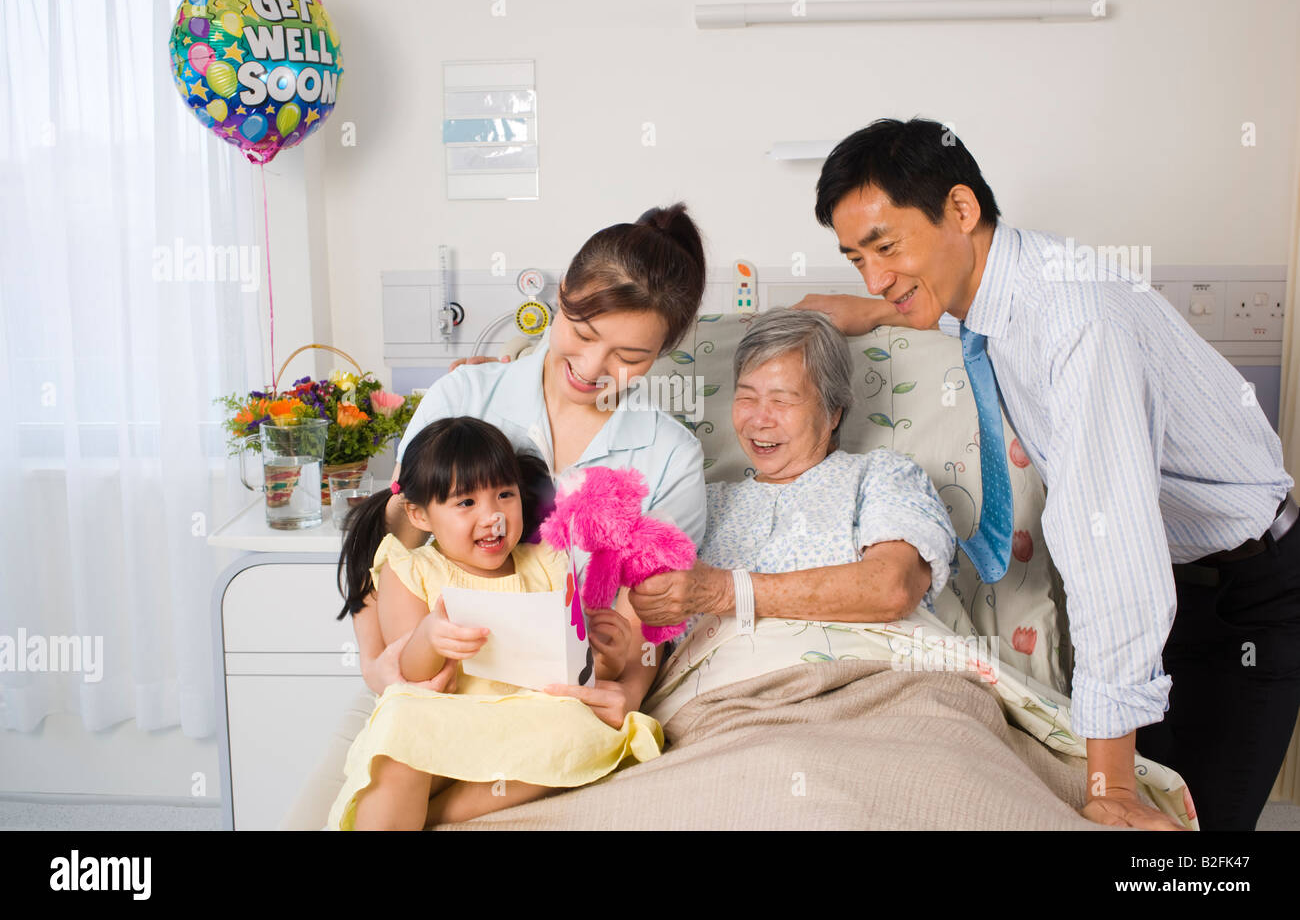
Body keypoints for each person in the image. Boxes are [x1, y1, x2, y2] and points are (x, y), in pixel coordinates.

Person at [792, 116, 1297, 831]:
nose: (875, 275)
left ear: (961, 210)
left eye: (886, 247)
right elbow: (973, 322)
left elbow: (1113, 552)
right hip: (1174, 586)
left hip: (1245, 592)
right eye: (855, 260)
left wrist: (1111, 786)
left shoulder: (1076, 327)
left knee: (1186, 847)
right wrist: (876, 310)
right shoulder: (1001, 287)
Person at [278, 203, 709, 828]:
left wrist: (628, 693)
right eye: (583, 334)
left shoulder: (670, 454)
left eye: (629, 357)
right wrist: (379, 663)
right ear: (561, 297)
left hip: (552, 699)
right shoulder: (464, 397)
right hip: (434, 680)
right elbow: (392, 542)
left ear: (662, 351)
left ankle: (438, 813)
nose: (593, 370)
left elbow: (652, 612)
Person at [327, 417, 660, 830]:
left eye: (505, 495)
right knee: (400, 723)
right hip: (450, 723)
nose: (492, 517)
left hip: (528, 724)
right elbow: (411, 677)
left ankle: (430, 816)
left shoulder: (547, 564)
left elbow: (578, 672)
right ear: (420, 514)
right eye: (466, 503)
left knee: (575, 728)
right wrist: (429, 637)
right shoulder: (412, 570)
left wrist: (605, 653)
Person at [628, 308, 955, 665]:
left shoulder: (883, 476)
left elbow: (893, 587)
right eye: (747, 397)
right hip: (724, 704)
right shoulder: (701, 501)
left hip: (870, 683)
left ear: (835, 412)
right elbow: (646, 633)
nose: (759, 420)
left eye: (782, 400)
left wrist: (726, 591)